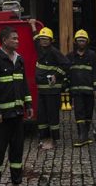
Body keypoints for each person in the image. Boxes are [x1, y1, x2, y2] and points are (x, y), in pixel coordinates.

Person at [0, 26, 33, 186]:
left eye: (17, 39)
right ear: (4, 40)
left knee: (17, 152)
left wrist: (29, 104)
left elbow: (23, 84)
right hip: (1, 118)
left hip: (17, 115)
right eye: (14, 38)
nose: (17, 41)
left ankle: (16, 182)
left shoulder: (19, 60)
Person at [28, 19, 69, 150]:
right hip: (42, 91)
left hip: (52, 91)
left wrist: (55, 76)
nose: (43, 40)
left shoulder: (54, 52)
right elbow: (35, 38)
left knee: (52, 116)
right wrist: (33, 25)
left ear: (51, 40)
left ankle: (54, 140)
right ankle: (43, 138)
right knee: (41, 116)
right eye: (42, 39)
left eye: (46, 39)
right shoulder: (40, 48)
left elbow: (66, 64)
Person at [66, 29, 96, 147]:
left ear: (87, 42)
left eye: (83, 40)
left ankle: (85, 135)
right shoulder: (70, 56)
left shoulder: (92, 55)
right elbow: (66, 73)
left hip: (89, 90)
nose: (81, 42)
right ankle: (82, 136)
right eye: (79, 40)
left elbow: (95, 71)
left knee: (88, 112)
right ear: (75, 42)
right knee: (79, 112)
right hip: (76, 90)